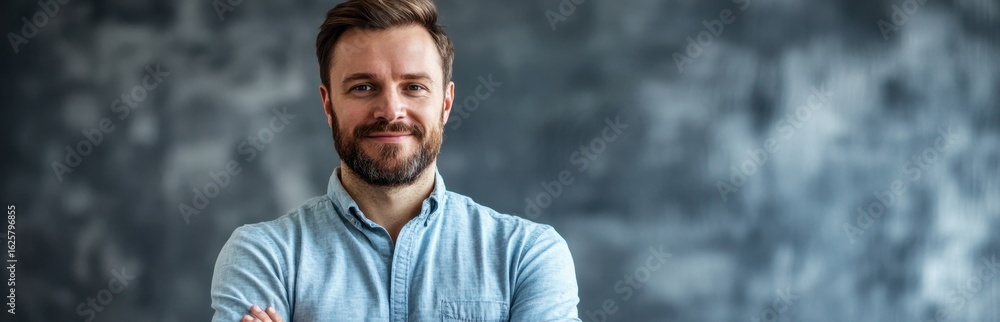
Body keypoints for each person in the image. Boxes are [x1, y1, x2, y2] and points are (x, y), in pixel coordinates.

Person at [209, 0, 581, 321]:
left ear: (446, 103)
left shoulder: (527, 256)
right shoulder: (262, 256)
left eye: (414, 87)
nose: (390, 110)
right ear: (328, 104)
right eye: (363, 87)